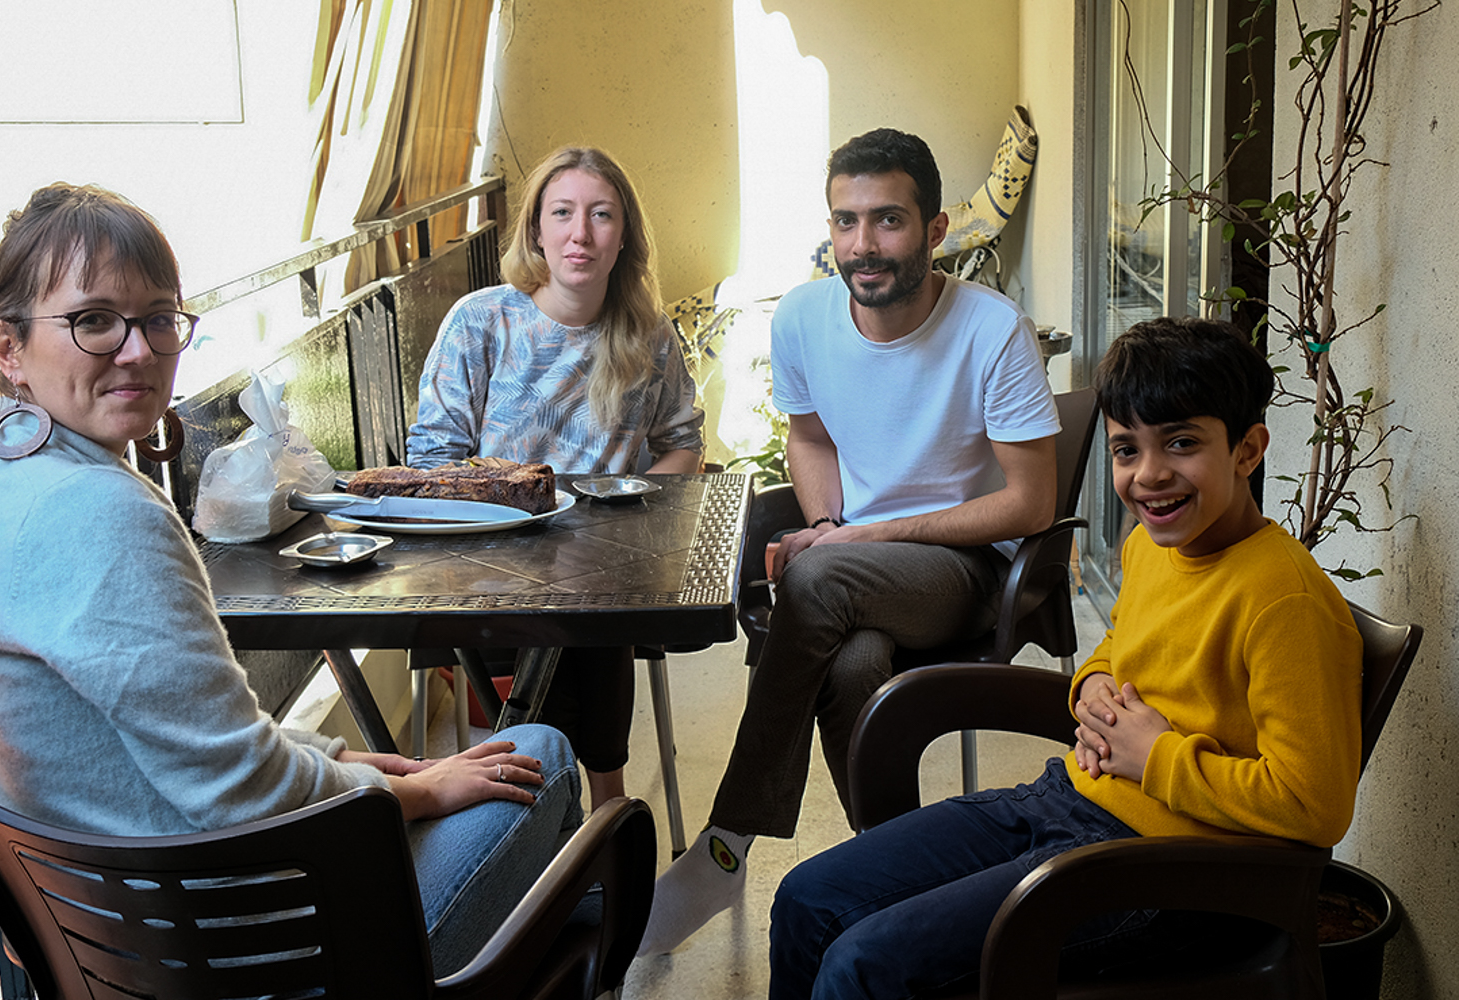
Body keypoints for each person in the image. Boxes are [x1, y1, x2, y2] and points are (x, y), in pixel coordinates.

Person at [0, 183, 583, 976]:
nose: (139, 350)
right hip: (252, 952)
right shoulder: (99, 514)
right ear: (7, 347)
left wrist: (349, 764)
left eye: (157, 317)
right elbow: (241, 794)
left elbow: (180, 738)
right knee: (542, 753)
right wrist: (414, 794)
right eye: (92, 320)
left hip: (110, 950)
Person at [766, 316, 1365, 999]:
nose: (1151, 476)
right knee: (808, 898)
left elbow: (1314, 807)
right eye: (1126, 450)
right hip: (1071, 802)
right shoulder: (1152, 546)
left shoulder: (1282, 600)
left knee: (862, 965)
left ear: (1247, 450)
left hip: (1171, 874)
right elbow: (1119, 648)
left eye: (1181, 443)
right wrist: (1095, 685)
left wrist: (1157, 757)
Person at [638, 128, 1060, 955]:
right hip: (856, 562)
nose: (863, 246)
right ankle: (894, 880)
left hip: (963, 568)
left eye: (889, 221)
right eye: (846, 221)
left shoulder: (993, 330)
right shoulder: (803, 317)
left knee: (814, 585)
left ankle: (728, 842)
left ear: (938, 231)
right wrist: (828, 526)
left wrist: (852, 539)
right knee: (855, 661)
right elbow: (812, 436)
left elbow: (1032, 504)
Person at [405, 146, 704, 811]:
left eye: (601, 215)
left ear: (624, 234)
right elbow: (431, 458)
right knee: (585, 628)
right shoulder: (481, 321)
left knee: (591, 611)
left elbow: (683, 446)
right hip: (485, 564)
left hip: (602, 567)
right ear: (536, 229)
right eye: (562, 213)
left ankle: (554, 819)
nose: (581, 233)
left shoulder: (647, 335)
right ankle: (603, 813)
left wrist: (638, 508)